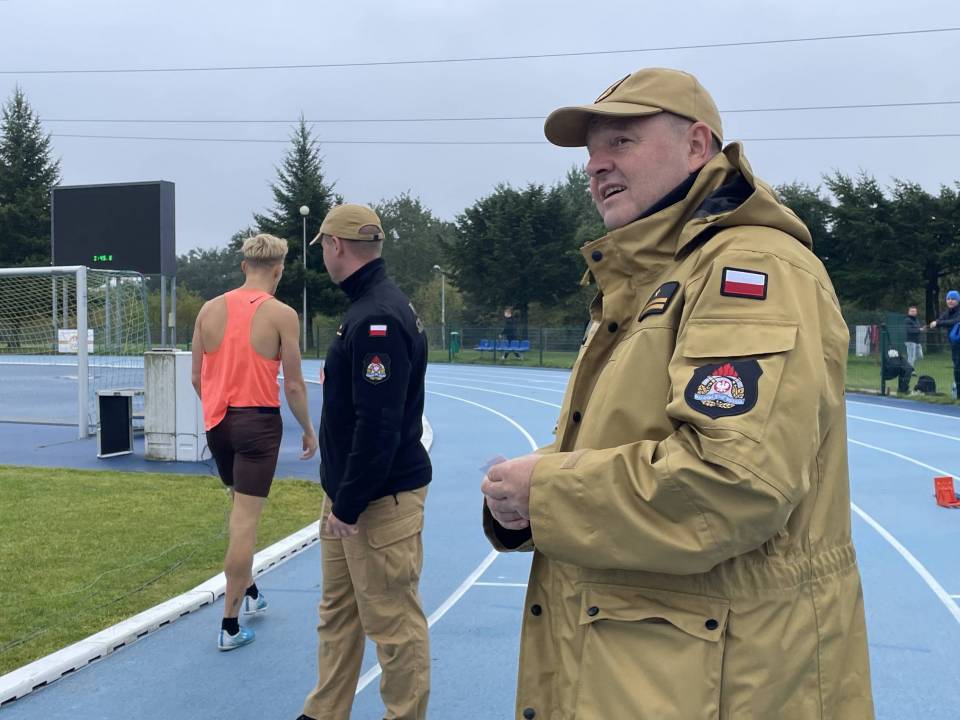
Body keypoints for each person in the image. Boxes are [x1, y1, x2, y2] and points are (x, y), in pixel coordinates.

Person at [480, 68, 874, 718]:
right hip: (651, 671)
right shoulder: (650, 280)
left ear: (696, 146)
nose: (596, 166)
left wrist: (544, 492)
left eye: (621, 142)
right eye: (590, 153)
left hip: (728, 683)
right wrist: (523, 499)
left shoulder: (749, 269)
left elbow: (732, 482)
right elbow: (628, 441)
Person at [298, 204, 431, 720]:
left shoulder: (377, 317)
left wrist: (349, 504)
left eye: (324, 248)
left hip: (376, 499)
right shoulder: (369, 305)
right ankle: (324, 712)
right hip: (349, 494)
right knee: (337, 614)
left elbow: (378, 425)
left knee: (393, 624)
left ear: (335, 246)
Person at [191, 233, 318, 651]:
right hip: (257, 423)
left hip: (218, 423)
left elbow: (197, 378)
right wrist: (308, 428)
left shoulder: (209, 309)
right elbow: (294, 385)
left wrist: (217, 411)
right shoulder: (282, 314)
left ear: (244, 266)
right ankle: (229, 626)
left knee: (237, 508)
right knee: (245, 521)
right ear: (278, 271)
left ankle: (250, 590)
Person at [930, 289, 960, 398]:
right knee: (957, 368)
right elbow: (940, 319)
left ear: (958, 300)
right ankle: (958, 393)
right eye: (948, 299)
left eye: (953, 299)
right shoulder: (948, 312)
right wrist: (936, 322)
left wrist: (938, 323)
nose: (950, 301)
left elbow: (955, 321)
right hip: (955, 345)